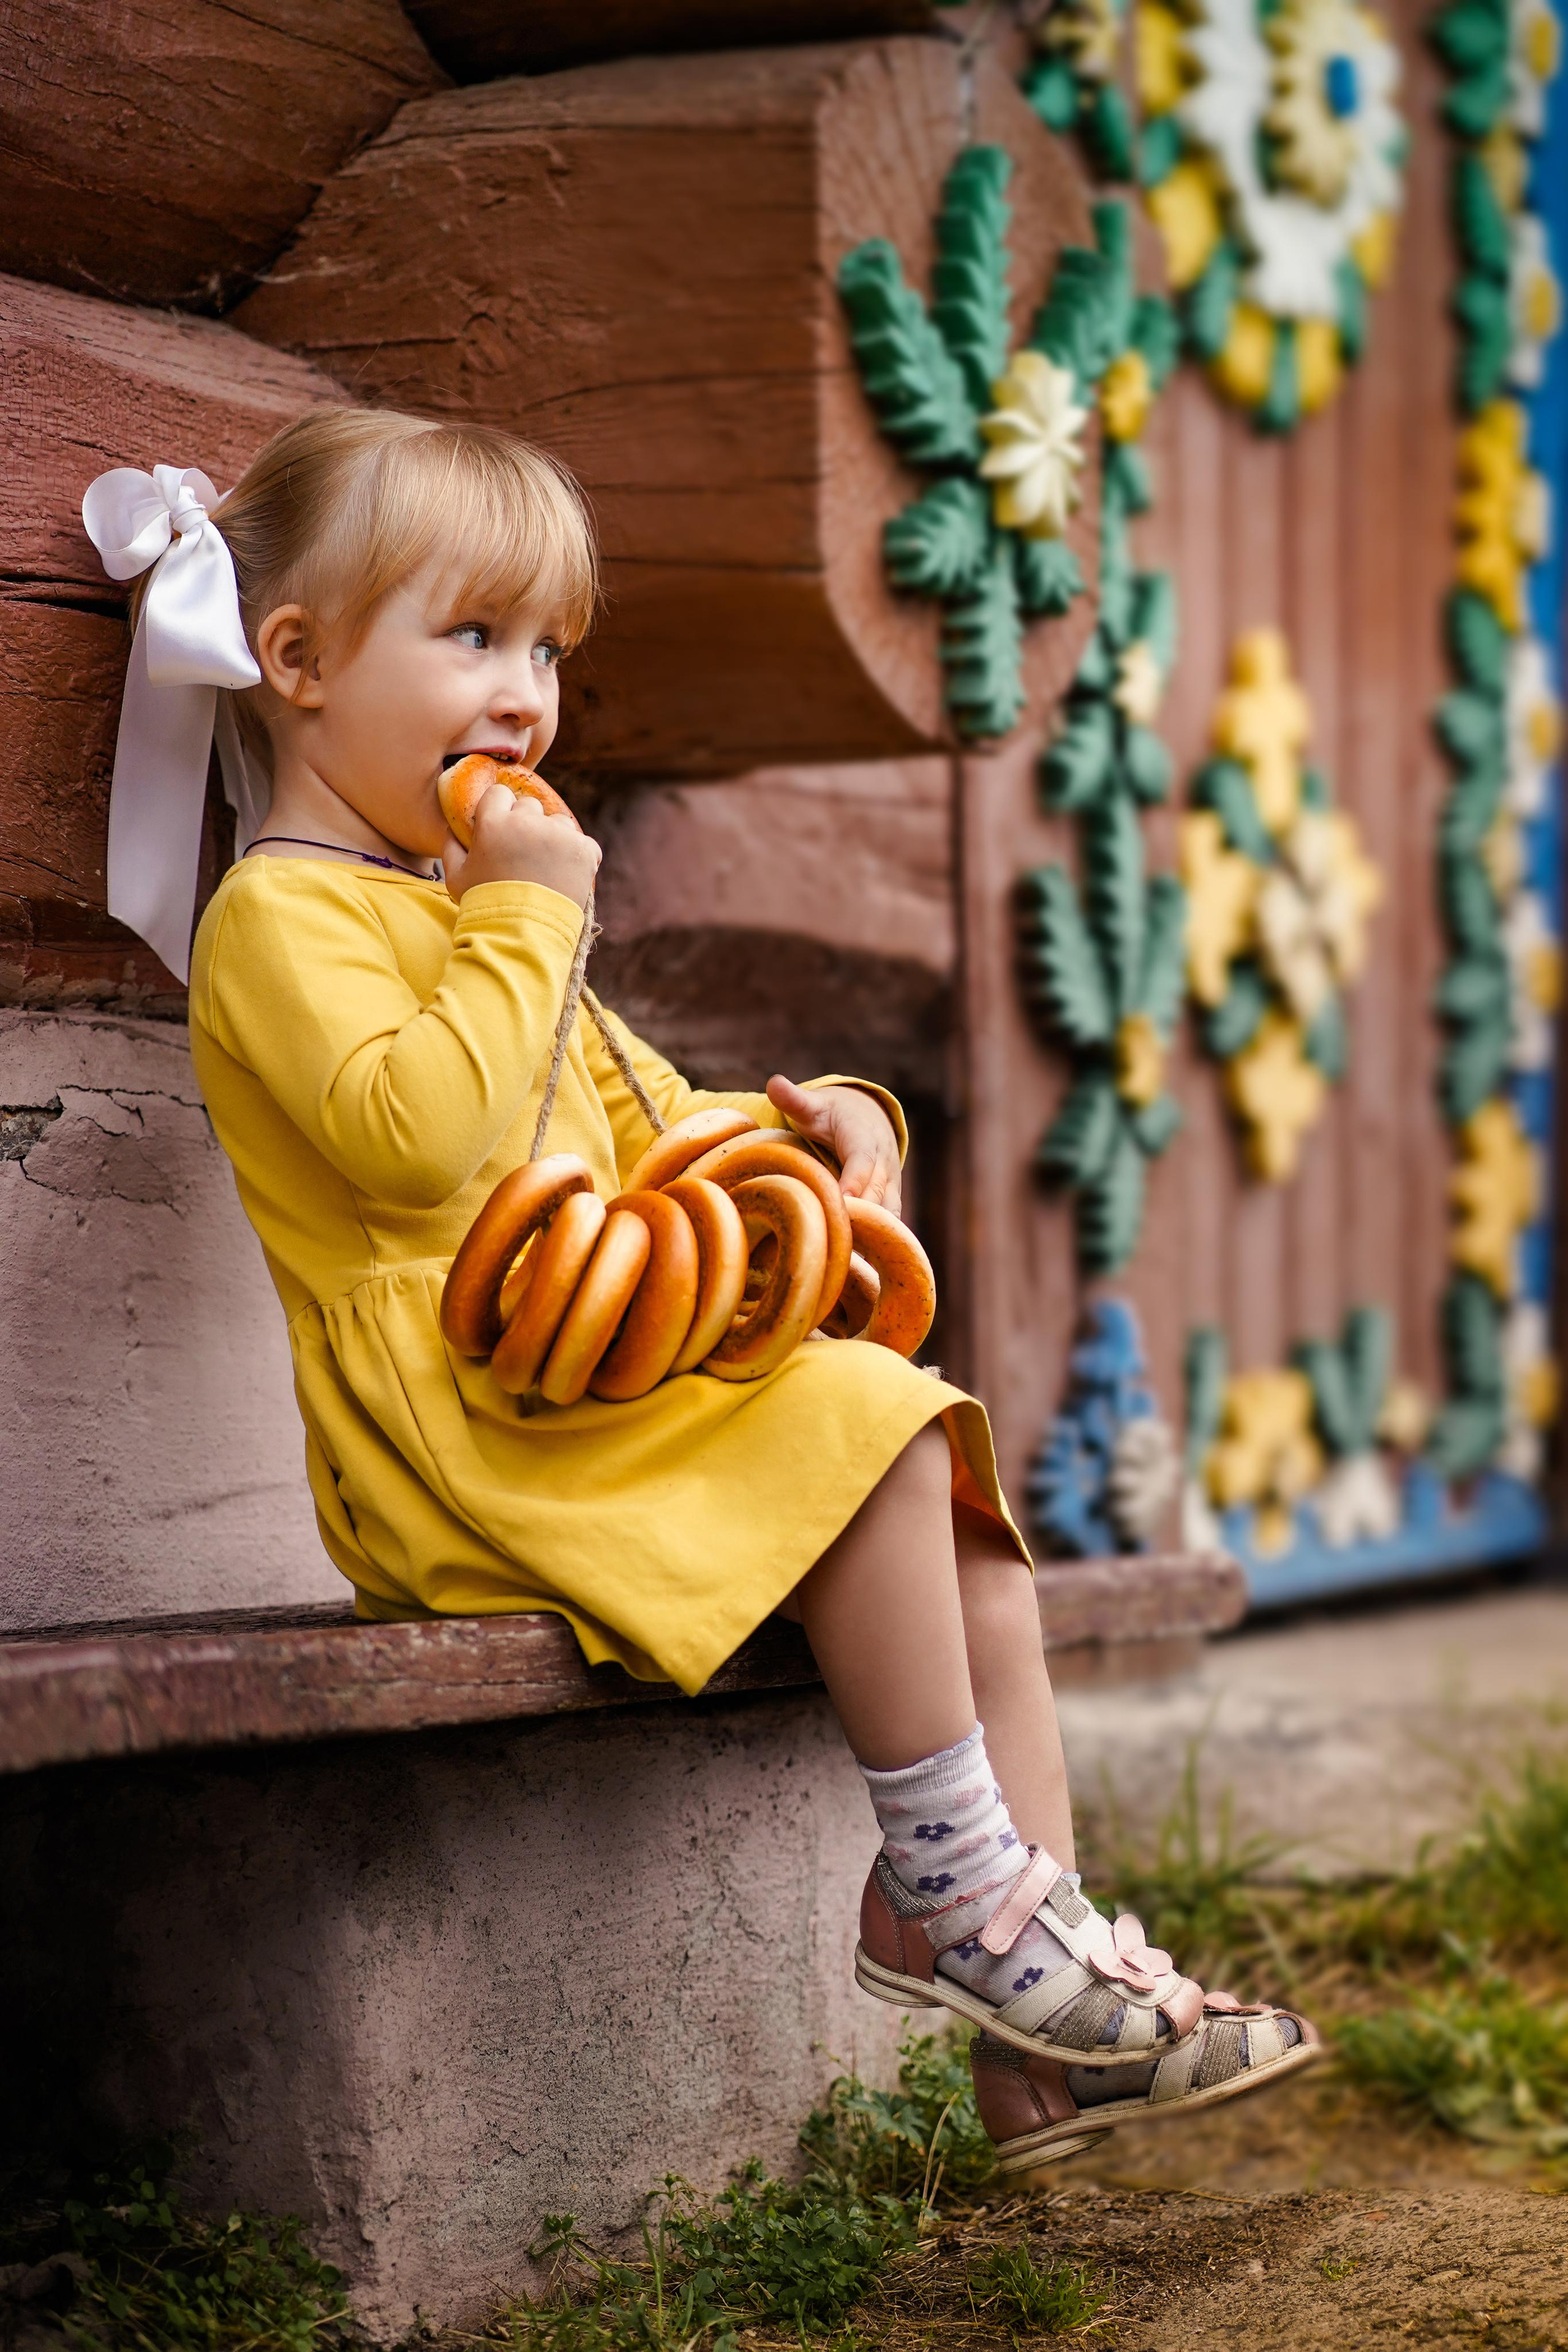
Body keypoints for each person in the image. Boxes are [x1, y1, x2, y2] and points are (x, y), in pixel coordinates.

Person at [83, 408, 1316, 2173]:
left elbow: (647, 1120)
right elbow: (421, 1146)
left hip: (584, 1396)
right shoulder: (284, 919)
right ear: (296, 662)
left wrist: (829, 1128)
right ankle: (952, 1897)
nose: (526, 694)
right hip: (467, 1440)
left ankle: (1036, 2032)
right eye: (474, 636)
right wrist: (526, 919)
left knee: (967, 1530)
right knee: (876, 1429)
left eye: (549, 650)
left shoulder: (469, 902)